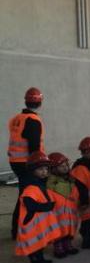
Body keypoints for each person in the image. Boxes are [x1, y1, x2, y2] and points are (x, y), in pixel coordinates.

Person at [8, 87, 45, 240]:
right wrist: (40, 165)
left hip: (15, 161)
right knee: (27, 196)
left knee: (24, 194)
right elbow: (34, 147)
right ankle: (19, 230)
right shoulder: (33, 121)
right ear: (40, 103)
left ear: (26, 101)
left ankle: (17, 229)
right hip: (27, 163)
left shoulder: (16, 118)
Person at [15, 151, 61, 263]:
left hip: (36, 226)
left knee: (38, 246)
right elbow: (30, 204)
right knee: (33, 248)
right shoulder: (30, 186)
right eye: (40, 169)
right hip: (31, 225)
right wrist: (47, 206)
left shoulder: (39, 183)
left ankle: (40, 260)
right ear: (32, 170)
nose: (44, 172)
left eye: (46, 169)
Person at [47, 152, 80, 258]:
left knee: (70, 228)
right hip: (59, 213)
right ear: (53, 169)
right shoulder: (51, 182)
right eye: (62, 166)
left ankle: (68, 244)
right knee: (59, 229)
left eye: (66, 165)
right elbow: (52, 192)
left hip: (70, 211)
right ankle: (58, 247)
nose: (65, 168)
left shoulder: (70, 178)